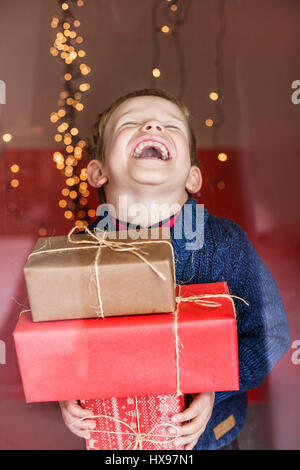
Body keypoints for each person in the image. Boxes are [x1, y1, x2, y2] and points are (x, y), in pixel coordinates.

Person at [59, 88, 290, 450]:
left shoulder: (224, 245)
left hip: (205, 438)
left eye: (171, 126)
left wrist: (213, 384)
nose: (152, 124)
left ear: (193, 178)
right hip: (116, 438)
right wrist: (64, 391)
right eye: (132, 122)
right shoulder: (75, 254)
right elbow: (57, 340)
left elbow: (269, 334)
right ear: (97, 171)